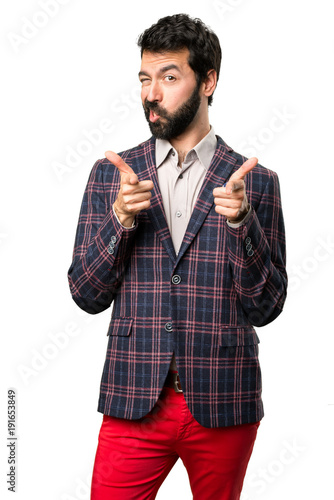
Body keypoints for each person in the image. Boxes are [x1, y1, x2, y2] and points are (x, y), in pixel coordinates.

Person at [68, 13, 287, 500]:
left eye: (169, 77)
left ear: (208, 81)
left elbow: (267, 307)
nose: (151, 93)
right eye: (145, 78)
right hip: (134, 397)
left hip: (223, 398)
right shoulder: (111, 178)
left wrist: (241, 225)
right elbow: (85, 294)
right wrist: (120, 221)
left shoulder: (257, 183)